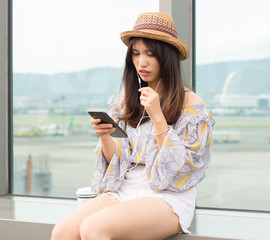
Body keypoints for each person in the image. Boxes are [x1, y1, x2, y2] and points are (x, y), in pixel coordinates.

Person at [51, 12, 214, 240]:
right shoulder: (125, 99)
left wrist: (158, 117)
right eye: (136, 54)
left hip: (167, 195)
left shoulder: (192, 105)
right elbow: (117, 162)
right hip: (124, 189)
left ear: (167, 57)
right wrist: (105, 136)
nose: (141, 62)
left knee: (94, 228)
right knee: (63, 231)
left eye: (150, 54)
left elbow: (180, 174)